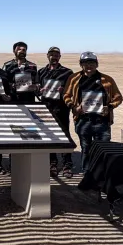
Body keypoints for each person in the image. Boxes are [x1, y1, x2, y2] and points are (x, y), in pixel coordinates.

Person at [63, 52, 123, 173]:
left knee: (103, 150)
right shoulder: (74, 79)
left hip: (102, 122)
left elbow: (118, 97)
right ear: (81, 65)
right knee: (86, 149)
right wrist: (74, 107)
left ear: (97, 64)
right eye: (85, 63)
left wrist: (109, 107)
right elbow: (66, 95)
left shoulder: (107, 80)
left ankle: (101, 175)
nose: (89, 65)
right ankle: (87, 174)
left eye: (91, 63)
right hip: (83, 121)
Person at [37, 46, 74, 178]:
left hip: (61, 109)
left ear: (60, 57)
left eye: (56, 55)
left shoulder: (67, 72)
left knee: (64, 135)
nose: (54, 57)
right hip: (46, 108)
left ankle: (67, 164)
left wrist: (63, 91)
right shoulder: (41, 72)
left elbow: (72, 90)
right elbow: (37, 89)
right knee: (49, 135)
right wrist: (39, 90)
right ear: (48, 56)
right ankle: (52, 163)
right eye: (52, 54)